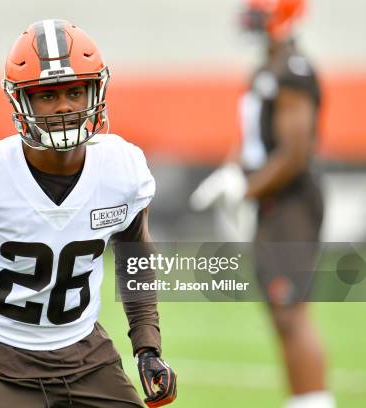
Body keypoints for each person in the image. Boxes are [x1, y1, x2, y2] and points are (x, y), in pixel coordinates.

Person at [0, 19, 177, 408]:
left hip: (85, 357)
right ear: (21, 101)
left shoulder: (122, 170)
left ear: (96, 90)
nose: (64, 107)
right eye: (46, 95)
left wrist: (148, 347)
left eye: (75, 91)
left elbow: (135, 259)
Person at [191, 1, 334, 407]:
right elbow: (257, 138)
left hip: (290, 202)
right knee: (279, 309)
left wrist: (246, 190)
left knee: (291, 310)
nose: (253, 20)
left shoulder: (293, 69)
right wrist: (233, 171)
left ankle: (314, 402)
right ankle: (301, 400)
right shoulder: (267, 68)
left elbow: (295, 151)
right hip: (272, 201)